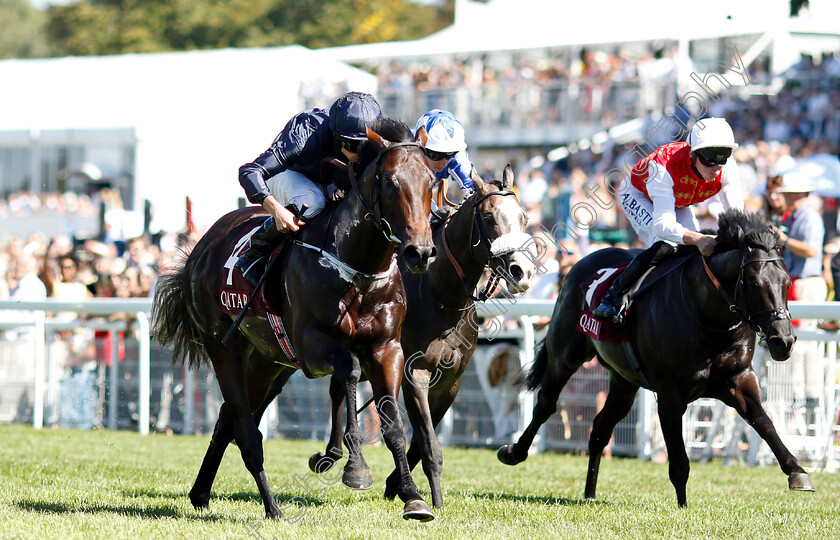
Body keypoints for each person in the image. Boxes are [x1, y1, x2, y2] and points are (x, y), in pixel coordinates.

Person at [593, 117, 744, 323]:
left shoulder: (727, 168)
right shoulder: (663, 168)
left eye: (723, 157)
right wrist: (698, 238)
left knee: (691, 252)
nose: (717, 167)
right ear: (692, 154)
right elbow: (663, 226)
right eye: (710, 158)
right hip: (638, 194)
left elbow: (736, 217)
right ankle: (614, 296)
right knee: (666, 244)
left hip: (677, 200)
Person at [234, 91, 382, 286]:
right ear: (340, 140)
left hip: (323, 178)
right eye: (358, 147)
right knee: (313, 200)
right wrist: (276, 210)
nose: (365, 154)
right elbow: (249, 171)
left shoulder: (367, 134)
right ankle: (254, 254)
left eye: (369, 146)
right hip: (285, 174)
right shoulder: (305, 134)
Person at [773, 171, 827, 417]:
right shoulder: (796, 216)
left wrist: (785, 239)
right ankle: (799, 399)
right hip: (797, 282)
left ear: (797, 194)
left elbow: (811, 250)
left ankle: (809, 399)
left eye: (787, 193)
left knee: (806, 344)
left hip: (807, 283)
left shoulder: (809, 217)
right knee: (799, 343)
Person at [414, 109, 475, 214]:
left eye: (449, 155)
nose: (444, 163)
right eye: (437, 155)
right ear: (420, 147)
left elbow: (473, 190)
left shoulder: (457, 158)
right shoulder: (406, 153)